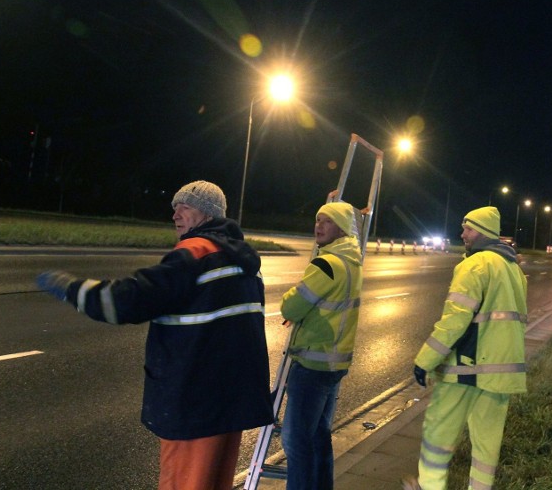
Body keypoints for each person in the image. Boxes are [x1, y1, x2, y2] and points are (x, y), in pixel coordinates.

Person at [36, 180, 272, 490]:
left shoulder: (195, 252)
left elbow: (128, 300)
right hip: (230, 405)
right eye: (174, 206)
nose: (175, 213)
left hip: (195, 404)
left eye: (184, 206)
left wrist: (73, 288)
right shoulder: (246, 262)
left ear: (207, 213)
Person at [403, 206, 527, 490]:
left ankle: (429, 486)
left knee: (438, 435)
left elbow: (455, 320)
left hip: (467, 368)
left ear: (482, 232)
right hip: (503, 373)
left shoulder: (475, 264)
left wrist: (425, 360)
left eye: (468, 228)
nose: (462, 234)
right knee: (486, 447)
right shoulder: (513, 269)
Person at [279, 201, 363, 489]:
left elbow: (291, 306)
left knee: (295, 442)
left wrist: (293, 299)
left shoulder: (327, 264)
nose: (318, 226)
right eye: (317, 220)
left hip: (312, 364)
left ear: (340, 228)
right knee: (319, 435)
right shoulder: (352, 261)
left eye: (326, 221)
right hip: (334, 363)